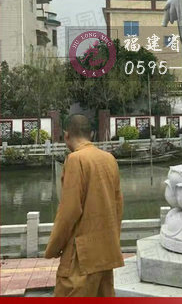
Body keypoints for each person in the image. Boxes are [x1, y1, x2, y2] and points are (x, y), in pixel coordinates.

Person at [44, 114, 124, 297]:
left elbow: (69, 211)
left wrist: (54, 247)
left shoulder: (75, 159)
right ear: (92, 134)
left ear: (66, 135)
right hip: (105, 253)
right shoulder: (109, 159)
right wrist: (112, 240)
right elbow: (118, 206)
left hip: (81, 256)